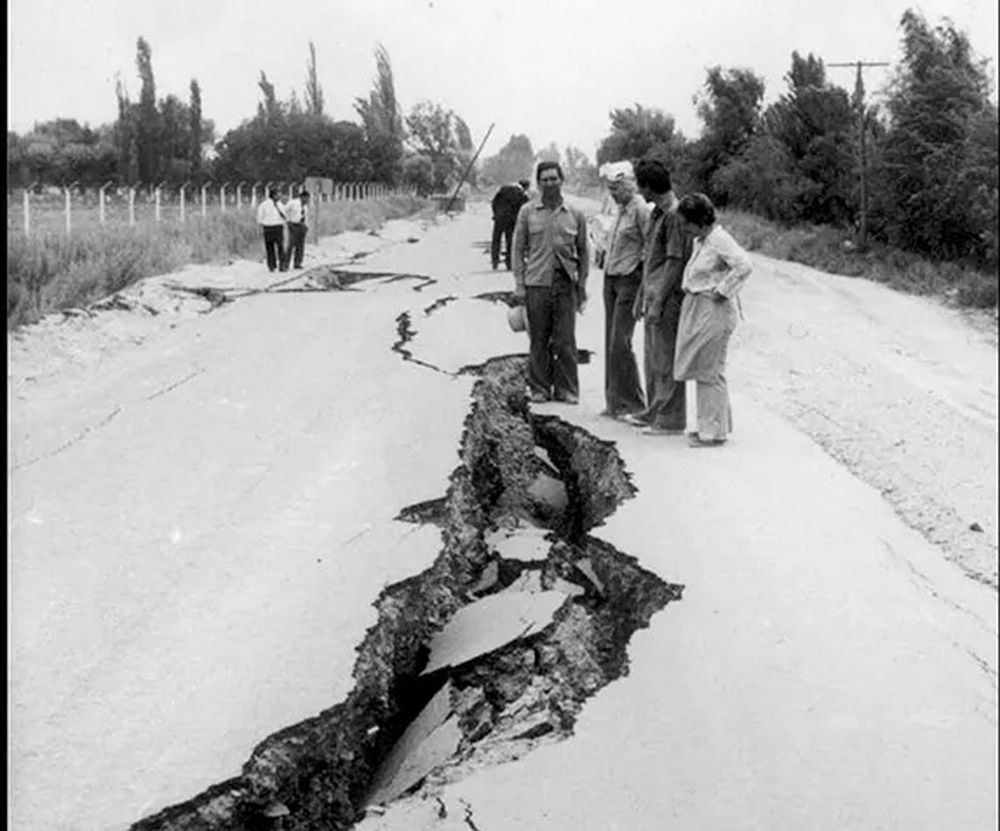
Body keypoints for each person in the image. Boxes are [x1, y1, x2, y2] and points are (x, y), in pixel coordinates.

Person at [673, 192, 753, 447]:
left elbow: (744, 265)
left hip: (714, 308)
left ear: (698, 221)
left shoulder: (719, 239)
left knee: (710, 369)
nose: (684, 229)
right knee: (703, 367)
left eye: (686, 223)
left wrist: (723, 290)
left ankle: (713, 432)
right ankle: (709, 426)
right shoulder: (703, 240)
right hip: (701, 307)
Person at [622, 158, 691, 435]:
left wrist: (659, 299)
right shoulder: (656, 214)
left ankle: (671, 419)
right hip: (653, 294)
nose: (639, 192)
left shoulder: (674, 215)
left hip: (667, 297)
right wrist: (642, 295)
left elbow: (674, 261)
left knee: (666, 359)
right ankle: (654, 411)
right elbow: (650, 259)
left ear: (650, 186)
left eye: (641, 186)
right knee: (653, 359)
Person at [512, 161, 589, 404]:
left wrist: (582, 285)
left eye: (554, 178)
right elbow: (517, 249)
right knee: (539, 339)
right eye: (544, 179)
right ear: (538, 183)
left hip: (565, 284)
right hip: (537, 284)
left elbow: (584, 251)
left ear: (561, 180)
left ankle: (567, 389)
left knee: (566, 340)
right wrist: (520, 284)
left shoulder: (575, 213)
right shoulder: (527, 212)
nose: (549, 183)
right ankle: (540, 388)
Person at [600, 164, 650, 418]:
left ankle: (634, 403)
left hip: (630, 278)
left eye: (617, 188)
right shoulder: (619, 209)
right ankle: (614, 402)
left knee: (620, 342)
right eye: (610, 188)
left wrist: (643, 284)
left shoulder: (641, 209)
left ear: (630, 185)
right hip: (611, 277)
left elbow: (650, 247)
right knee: (610, 341)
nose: (613, 193)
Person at [491, 179, 530, 270]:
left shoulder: (504, 189)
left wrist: (495, 214)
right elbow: (524, 209)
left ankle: (495, 261)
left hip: (499, 218)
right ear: (526, 187)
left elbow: (494, 202)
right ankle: (509, 263)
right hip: (510, 220)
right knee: (510, 241)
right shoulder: (521, 194)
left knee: (496, 239)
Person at [256, 188, 287, 272]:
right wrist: (264, 224)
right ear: (273, 195)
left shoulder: (281, 205)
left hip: (278, 227)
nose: (280, 196)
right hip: (268, 228)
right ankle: (271, 265)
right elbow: (259, 218)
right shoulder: (263, 205)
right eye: (278, 194)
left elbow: (285, 216)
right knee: (270, 247)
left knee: (280, 247)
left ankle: (282, 265)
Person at [283, 189, 311, 270]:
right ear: (302, 197)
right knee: (291, 245)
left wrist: (306, 226)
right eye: (306, 198)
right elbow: (284, 211)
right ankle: (285, 264)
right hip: (293, 225)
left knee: (300, 246)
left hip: (302, 225)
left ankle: (297, 263)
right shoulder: (293, 203)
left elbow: (305, 216)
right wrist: (288, 221)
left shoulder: (305, 206)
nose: (307, 200)